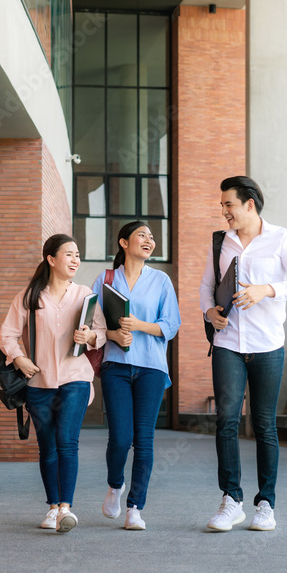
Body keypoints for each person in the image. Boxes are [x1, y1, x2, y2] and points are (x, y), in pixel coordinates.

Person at [199, 176, 287, 531]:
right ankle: (231, 500)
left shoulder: (283, 238)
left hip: (267, 346)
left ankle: (266, 504)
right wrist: (209, 312)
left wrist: (267, 289)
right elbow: (206, 286)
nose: (224, 212)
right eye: (222, 206)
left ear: (249, 204)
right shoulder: (222, 243)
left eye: (228, 205)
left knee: (264, 425)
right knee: (226, 421)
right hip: (228, 344)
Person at [0, 234, 106, 533]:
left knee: (67, 442)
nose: (75, 260)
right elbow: (6, 335)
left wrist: (91, 337)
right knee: (47, 447)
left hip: (75, 378)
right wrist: (19, 359)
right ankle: (52, 506)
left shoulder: (85, 295)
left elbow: (102, 332)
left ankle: (65, 509)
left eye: (78, 255)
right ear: (51, 259)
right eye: (69, 254)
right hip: (39, 383)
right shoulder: (28, 297)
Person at [92, 221, 181, 530]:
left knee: (144, 439)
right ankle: (115, 485)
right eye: (142, 235)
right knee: (120, 437)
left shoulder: (161, 280)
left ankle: (135, 508)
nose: (149, 240)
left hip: (152, 368)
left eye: (152, 237)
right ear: (124, 242)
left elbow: (170, 325)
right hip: (115, 366)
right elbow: (92, 324)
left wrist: (138, 324)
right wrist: (115, 335)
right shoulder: (105, 280)